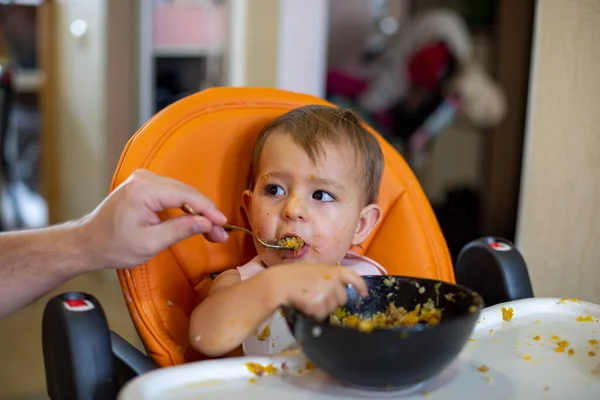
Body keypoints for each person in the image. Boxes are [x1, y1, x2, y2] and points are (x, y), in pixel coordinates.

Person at [189, 105, 387, 358]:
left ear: (360, 226)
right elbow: (203, 337)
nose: (292, 209)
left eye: (321, 195)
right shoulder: (242, 282)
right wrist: (272, 286)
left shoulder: (370, 283)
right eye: (274, 190)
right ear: (249, 210)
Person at [0, 169, 229, 320]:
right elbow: (208, 340)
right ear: (247, 205)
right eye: (267, 190)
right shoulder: (236, 281)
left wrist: (83, 242)